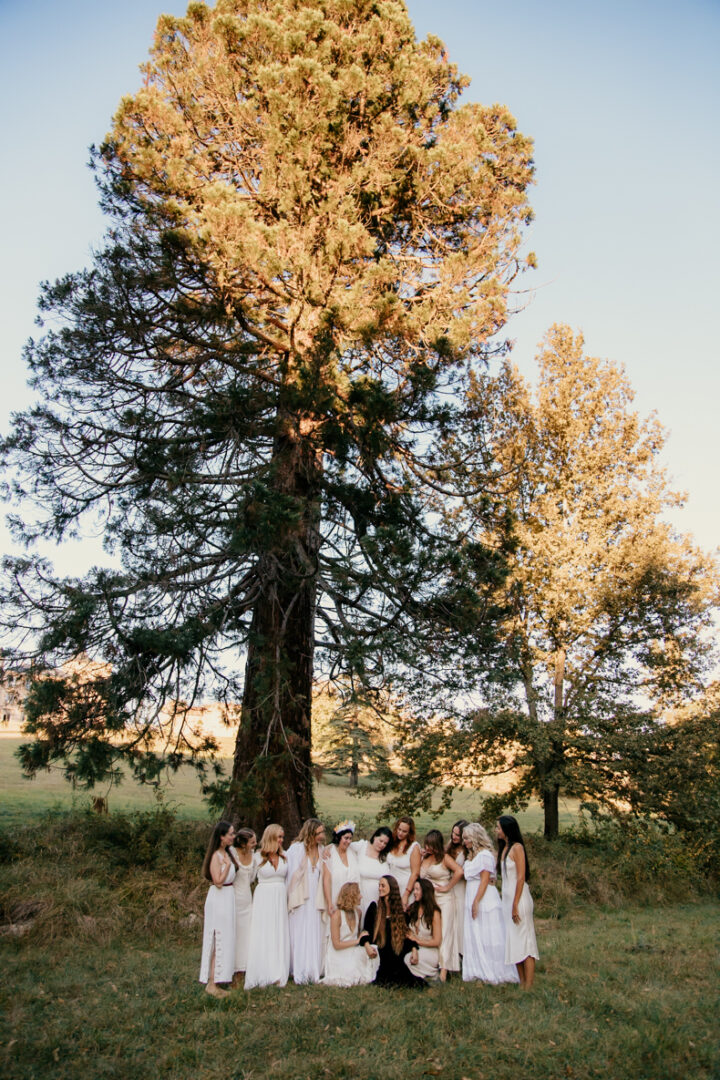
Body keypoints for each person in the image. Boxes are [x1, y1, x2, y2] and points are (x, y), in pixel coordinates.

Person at [461, 823, 518, 985]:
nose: (464, 842)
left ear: (475, 837)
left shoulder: (485, 855)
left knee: (488, 933)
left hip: (483, 897)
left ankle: (495, 970)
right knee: (475, 932)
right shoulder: (471, 856)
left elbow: (485, 879)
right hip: (471, 894)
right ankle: (477, 969)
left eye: (466, 838)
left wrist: (476, 901)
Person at [245, 824, 291, 989]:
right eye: (279, 837)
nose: (281, 840)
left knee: (278, 932)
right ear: (270, 837)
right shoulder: (257, 857)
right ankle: (261, 971)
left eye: (282, 837)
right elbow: (248, 878)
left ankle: (278, 971)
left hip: (280, 896)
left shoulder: (285, 856)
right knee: (263, 932)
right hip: (264, 897)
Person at [496, 815, 540, 989]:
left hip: (519, 900)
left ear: (507, 830)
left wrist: (515, 904)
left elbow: (520, 877)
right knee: (514, 941)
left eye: (498, 827)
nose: (496, 830)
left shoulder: (517, 848)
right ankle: (521, 982)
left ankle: (528, 985)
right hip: (507, 900)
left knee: (525, 941)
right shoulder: (504, 848)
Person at [361, 874, 422, 989]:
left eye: (383, 886)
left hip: (396, 951)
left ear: (391, 888)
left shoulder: (400, 913)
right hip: (382, 950)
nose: (380, 888)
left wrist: (414, 949)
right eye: (379, 885)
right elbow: (366, 931)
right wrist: (367, 946)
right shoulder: (374, 909)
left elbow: (406, 935)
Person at [199, 820, 238, 997]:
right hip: (219, 897)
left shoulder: (228, 852)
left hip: (229, 897)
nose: (233, 836)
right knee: (218, 937)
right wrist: (227, 866)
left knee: (227, 937)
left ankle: (221, 976)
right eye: (230, 833)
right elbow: (218, 881)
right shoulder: (216, 856)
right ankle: (211, 982)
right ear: (221, 837)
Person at [286, 818, 326, 984]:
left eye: (323, 832)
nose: (323, 836)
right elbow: (290, 875)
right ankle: (299, 968)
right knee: (301, 930)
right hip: (301, 897)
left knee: (315, 929)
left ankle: (313, 967)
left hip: (316, 897)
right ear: (310, 833)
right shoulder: (296, 849)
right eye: (319, 833)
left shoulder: (323, 849)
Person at [420, 829, 462, 980]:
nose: (429, 848)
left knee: (444, 933)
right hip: (430, 900)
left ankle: (443, 971)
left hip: (445, 899)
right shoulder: (425, 858)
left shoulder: (444, 858)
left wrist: (447, 887)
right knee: (431, 932)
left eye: (432, 845)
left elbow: (459, 871)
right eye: (427, 845)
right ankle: (430, 966)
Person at [322, 882, 377, 987]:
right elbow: (336, 945)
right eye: (358, 893)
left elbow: (358, 936)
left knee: (373, 951)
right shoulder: (336, 915)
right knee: (352, 969)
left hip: (352, 949)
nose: (361, 896)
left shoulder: (358, 913)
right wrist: (358, 941)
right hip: (338, 952)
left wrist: (364, 942)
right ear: (351, 896)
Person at [230, 827, 258, 983]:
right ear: (243, 843)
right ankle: (229, 969)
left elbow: (252, 878)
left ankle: (242, 969)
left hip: (247, 899)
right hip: (233, 898)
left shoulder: (253, 856)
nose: (255, 844)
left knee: (245, 936)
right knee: (233, 933)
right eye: (252, 842)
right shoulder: (232, 854)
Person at [404, 877, 441, 983]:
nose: (414, 892)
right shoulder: (412, 909)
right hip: (414, 948)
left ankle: (431, 975)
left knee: (407, 960)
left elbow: (437, 941)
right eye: (414, 889)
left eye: (417, 890)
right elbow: (407, 930)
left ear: (425, 892)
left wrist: (418, 941)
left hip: (429, 950)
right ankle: (420, 976)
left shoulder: (434, 913)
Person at [351, 826, 392, 916]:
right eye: (380, 841)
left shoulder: (387, 855)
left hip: (378, 895)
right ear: (374, 837)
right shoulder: (362, 846)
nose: (382, 845)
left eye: (385, 843)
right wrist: (329, 848)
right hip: (361, 894)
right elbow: (344, 844)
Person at [322, 820, 360, 916]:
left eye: (350, 839)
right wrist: (329, 902)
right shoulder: (330, 853)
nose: (348, 841)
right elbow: (326, 879)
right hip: (335, 895)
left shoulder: (353, 853)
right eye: (346, 838)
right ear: (339, 837)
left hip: (350, 899)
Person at [385, 816, 421, 909]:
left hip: (405, 888)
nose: (400, 833)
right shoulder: (392, 843)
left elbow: (415, 873)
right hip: (391, 887)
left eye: (404, 831)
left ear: (409, 833)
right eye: (399, 829)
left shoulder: (414, 847)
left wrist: (406, 894)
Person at [446, 819, 469, 957]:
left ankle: (461, 953)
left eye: (458, 835)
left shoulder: (467, 851)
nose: (454, 837)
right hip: (449, 888)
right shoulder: (450, 846)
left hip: (460, 889)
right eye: (453, 833)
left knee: (460, 921)